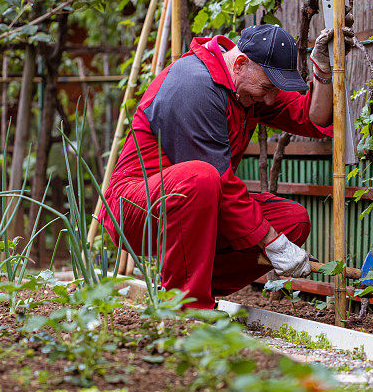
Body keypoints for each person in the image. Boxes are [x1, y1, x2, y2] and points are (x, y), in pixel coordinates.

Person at [98, 23, 353, 309]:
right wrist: (274, 245)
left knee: (291, 220)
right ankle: (186, 309)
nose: (270, 99)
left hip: (197, 205)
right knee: (202, 178)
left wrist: (323, 72)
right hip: (137, 207)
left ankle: (184, 284)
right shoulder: (193, 84)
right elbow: (217, 179)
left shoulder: (246, 85)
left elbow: (312, 117)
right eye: (268, 88)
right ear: (241, 63)